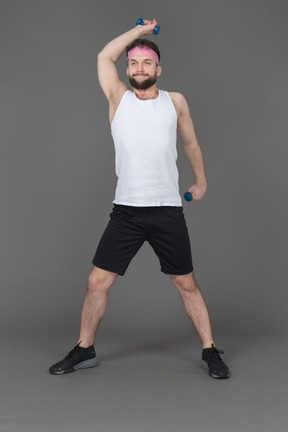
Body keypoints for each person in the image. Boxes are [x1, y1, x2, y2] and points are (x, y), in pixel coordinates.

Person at [49, 19, 230, 379]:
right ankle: (85, 348)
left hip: (167, 210)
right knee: (96, 282)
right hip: (127, 213)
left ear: (158, 69)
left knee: (186, 283)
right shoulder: (118, 98)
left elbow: (190, 143)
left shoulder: (174, 101)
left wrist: (202, 181)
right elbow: (104, 55)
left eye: (146, 62)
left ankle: (210, 350)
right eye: (133, 62)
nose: (139, 67)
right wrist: (138, 32)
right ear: (127, 69)